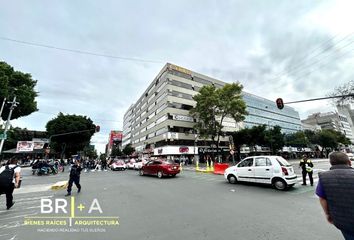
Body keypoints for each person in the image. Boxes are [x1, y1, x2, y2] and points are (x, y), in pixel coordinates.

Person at [316, 152, 354, 239]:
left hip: (342, 221)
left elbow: (322, 198)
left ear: (331, 163)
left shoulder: (324, 177)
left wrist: (328, 214)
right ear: (349, 162)